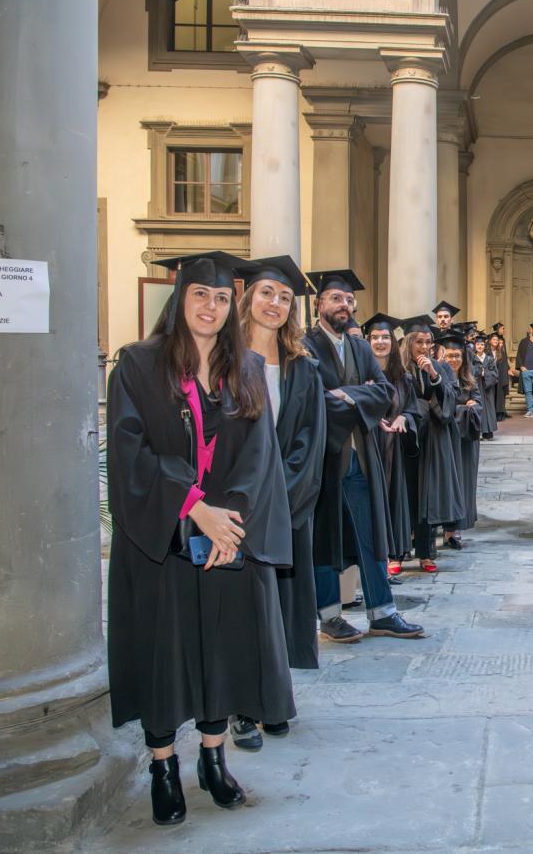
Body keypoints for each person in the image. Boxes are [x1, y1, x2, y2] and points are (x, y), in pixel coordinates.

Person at [107, 251, 294, 825]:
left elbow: (258, 456)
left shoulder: (247, 371)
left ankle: (214, 760)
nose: (210, 307)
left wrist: (229, 521)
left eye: (219, 298)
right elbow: (128, 451)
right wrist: (194, 507)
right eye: (199, 296)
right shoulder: (137, 366)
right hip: (162, 537)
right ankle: (164, 766)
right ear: (179, 299)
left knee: (220, 649)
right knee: (165, 651)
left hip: (224, 538)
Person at [232, 255, 326, 751]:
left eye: (285, 297)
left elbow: (309, 438)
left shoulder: (301, 369)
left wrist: (281, 493)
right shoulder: (222, 361)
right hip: (232, 505)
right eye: (268, 292)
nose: (275, 303)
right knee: (240, 606)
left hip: (283, 502)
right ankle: (243, 707)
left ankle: (274, 698)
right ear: (249, 298)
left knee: (275, 605)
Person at [302, 270, 424, 642]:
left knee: (371, 533)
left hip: (360, 456)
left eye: (349, 300)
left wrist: (345, 395)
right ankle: (329, 616)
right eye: (336, 298)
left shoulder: (359, 347)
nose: (344, 305)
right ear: (319, 304)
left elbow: (385, 390)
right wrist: (359, 395)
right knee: (326, 535)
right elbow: (311, 399)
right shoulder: (304, 347)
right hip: (324, 455)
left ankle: (383, 612)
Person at [400, 316, 465, 571]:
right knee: (404, 495)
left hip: (431, 440)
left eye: (428, 342)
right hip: (404, 437)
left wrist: (434, 375)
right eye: (419, 341)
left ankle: (426, 553)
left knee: (427, 497)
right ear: (409, 343)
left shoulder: (442, 368)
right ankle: (398, 552)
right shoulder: (399, 368)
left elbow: (451, 399)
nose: (424, 347)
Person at [361, 313, 415, 579]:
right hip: (368, 446)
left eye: (385, 337)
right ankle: (370, 555)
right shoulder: (360, 374)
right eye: (375, 337)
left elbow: (414, 407)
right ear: (367, 341)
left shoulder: (402, 377)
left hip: (393, 447)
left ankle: (394, 552)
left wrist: (404, 417)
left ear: (393, 343)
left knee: (394, 498)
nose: (380, 342)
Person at [440, 329, 483, 546]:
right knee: (447, 482)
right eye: (450, 356)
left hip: (467, 441)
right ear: (442, 356)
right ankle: (445, 526)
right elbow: (439, 409)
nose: (454, 360)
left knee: (464, 482)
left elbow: (479, 406)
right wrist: (462, 408)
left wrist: (459, 409)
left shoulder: (469, 380)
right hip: (446, 440)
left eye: (457, 356)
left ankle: (455, 529)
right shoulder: (438, 378)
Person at [515, 321, 533, 418]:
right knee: (527, 392)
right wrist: (521, 367)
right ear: (531, 330)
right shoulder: (524, 341)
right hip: (526, 370)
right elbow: (519, 355)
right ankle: (530, 411)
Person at [473, 333, 500, 439]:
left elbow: (495, 374)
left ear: (484, 346)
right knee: (478, 408)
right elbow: (469, 372)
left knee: (488, 409)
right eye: (478, 345)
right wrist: (479, 372)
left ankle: (487, 432)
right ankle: (478, 432)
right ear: (475, 346)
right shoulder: (472, 359)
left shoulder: (489, 359)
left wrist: (486, 374)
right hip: (476, 387)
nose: (480, 346)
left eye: (482, 345)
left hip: (487, 388)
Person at [491, 322, 511, 420]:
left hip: (503, 368)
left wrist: (507, 368)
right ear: (498, 329)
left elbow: (505, 355)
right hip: (497, 370)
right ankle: (499, 412)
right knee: (498, 392)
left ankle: (502, 411)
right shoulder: (496, 341)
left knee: (502, 392)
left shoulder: (502, 340)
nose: (504, 330)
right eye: (503, 328)